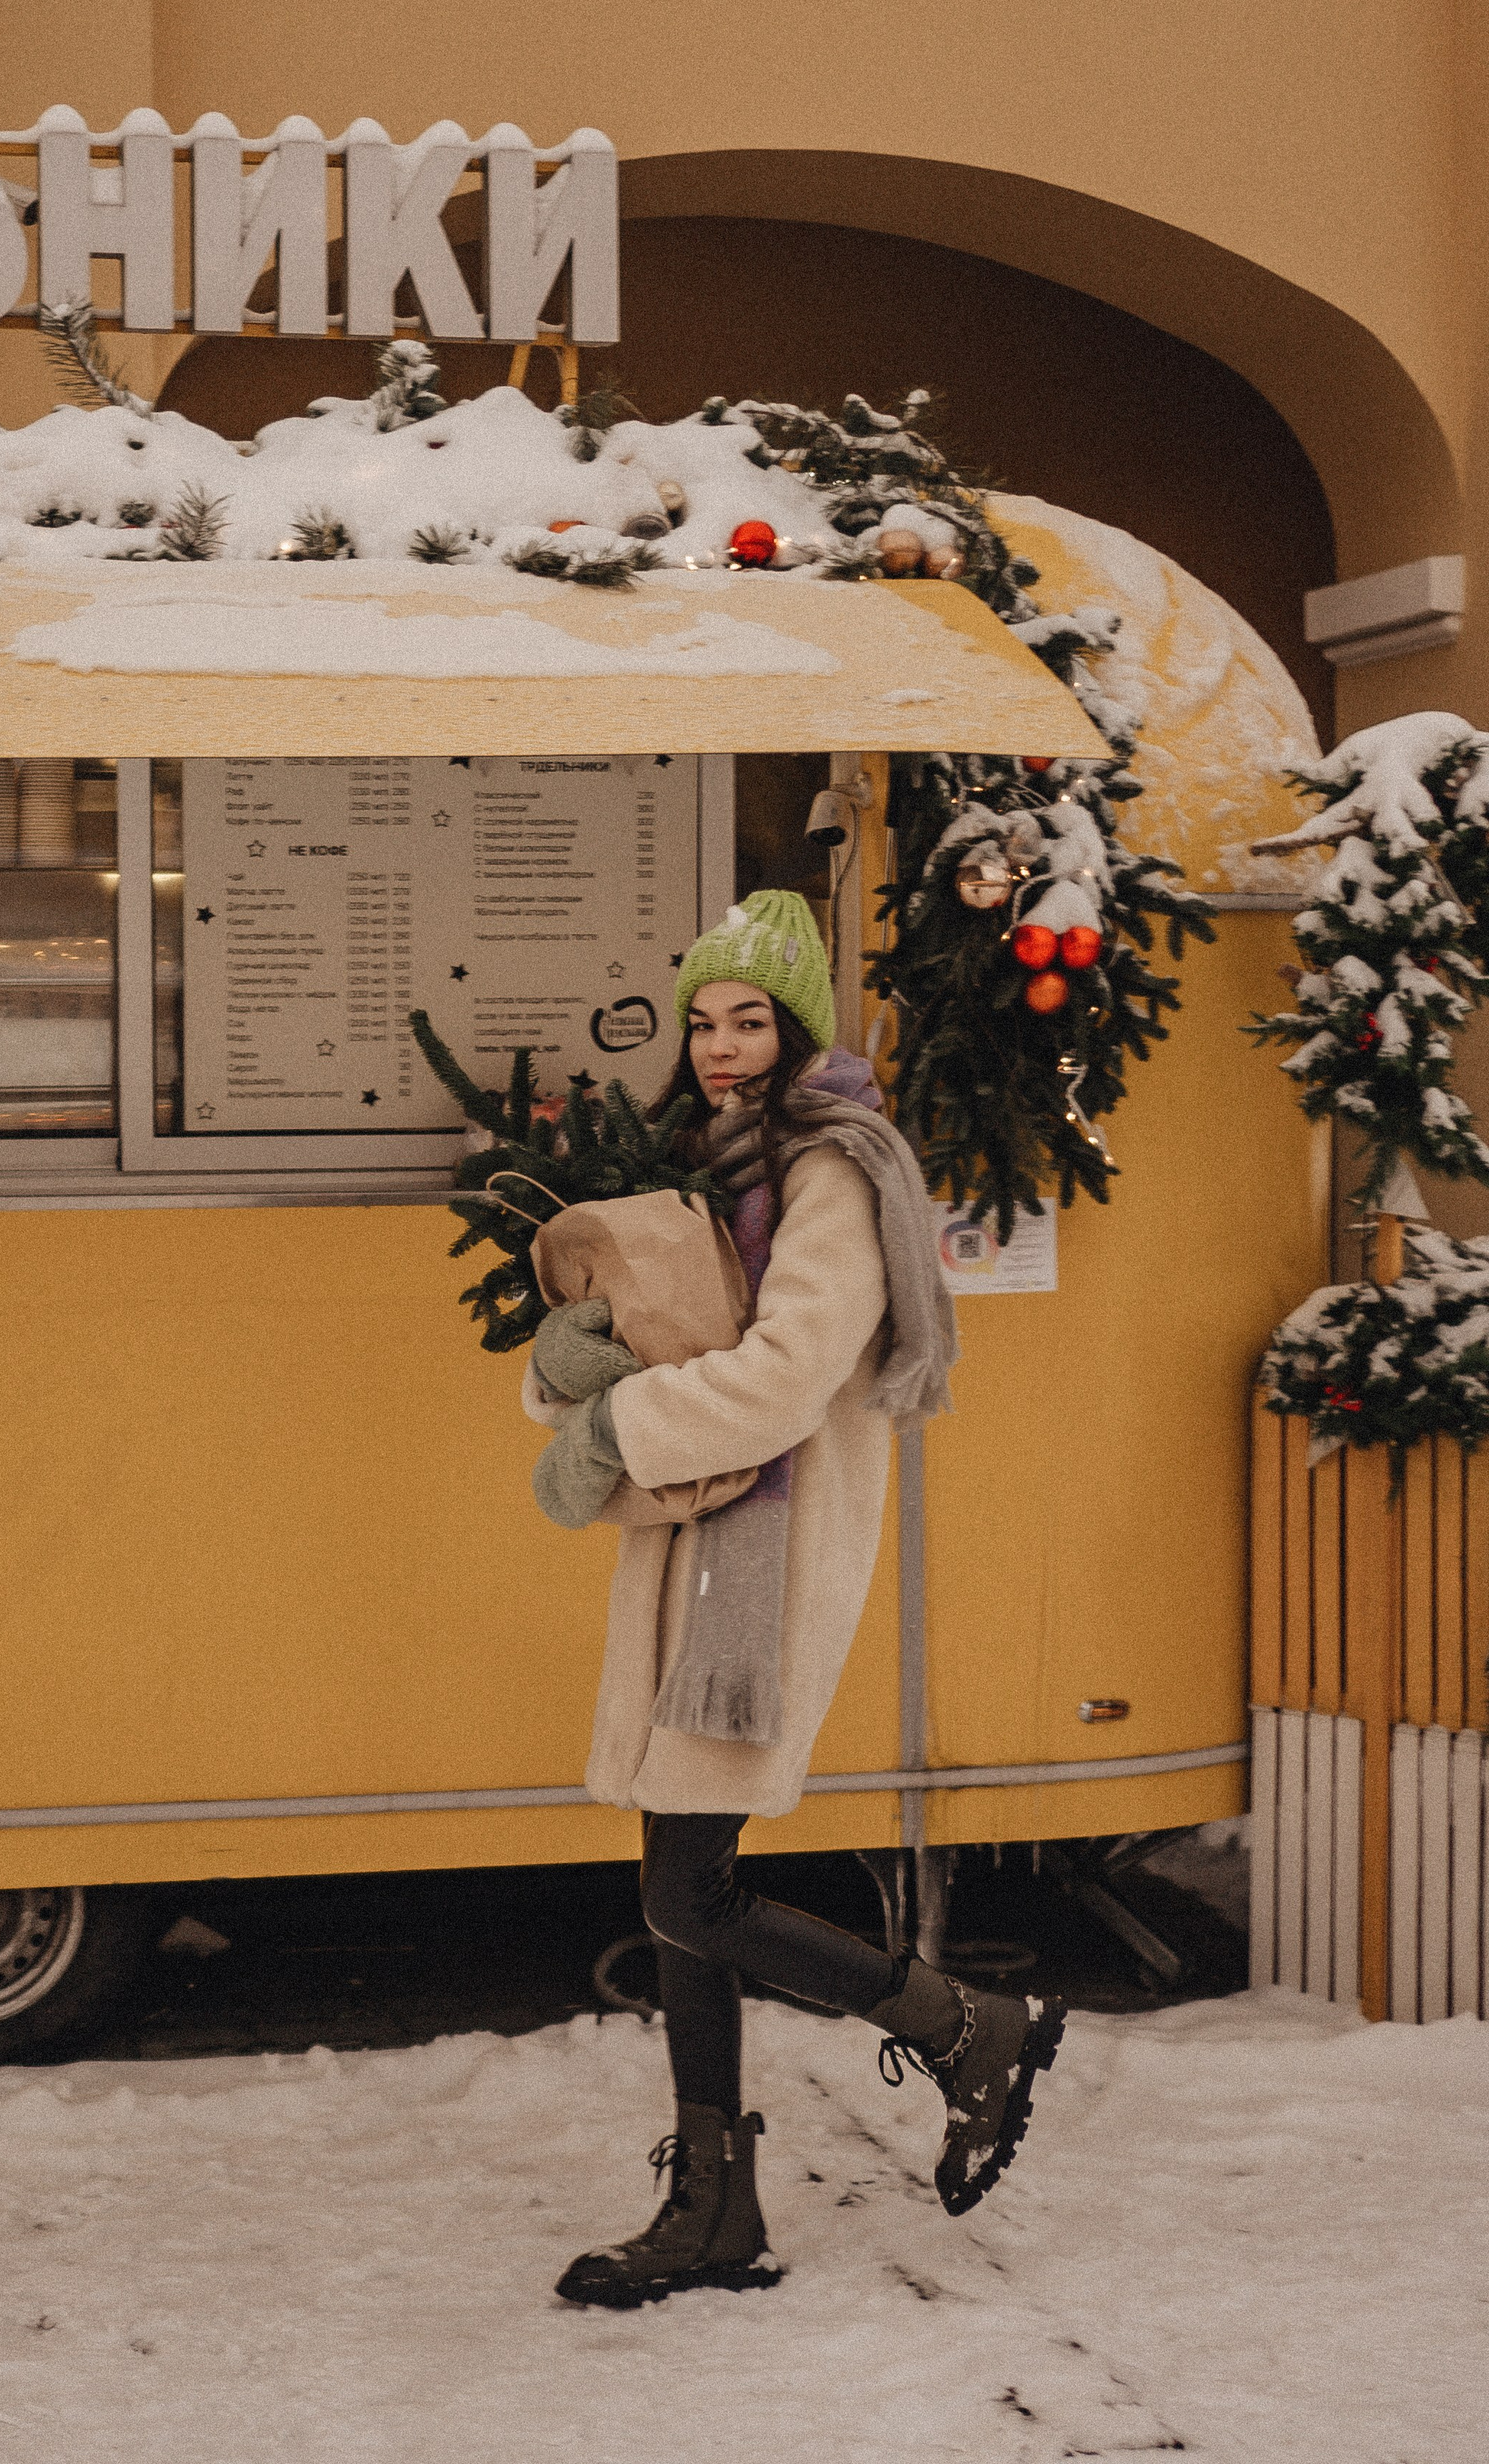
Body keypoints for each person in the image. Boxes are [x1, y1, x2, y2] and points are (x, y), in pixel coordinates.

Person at [526, 890, 1064, 2311]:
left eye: (749, 1020)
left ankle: (965, 2027)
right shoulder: (715, 1161)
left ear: (798, 1029)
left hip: (762, 1558)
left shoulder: (830, 1171)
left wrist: (616, 1426)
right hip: (699, 1544)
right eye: (703, 1021)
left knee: (689, 1888)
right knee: (678, 1891)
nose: (720, 1045)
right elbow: (669, 1323)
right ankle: (715, 2206)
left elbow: (782, 1378)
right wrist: (579, 1363)